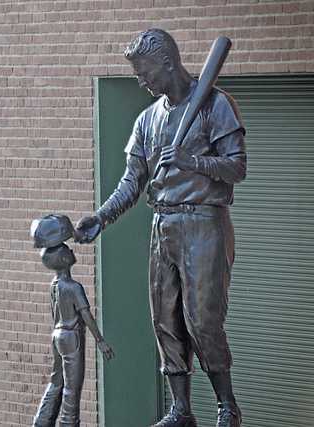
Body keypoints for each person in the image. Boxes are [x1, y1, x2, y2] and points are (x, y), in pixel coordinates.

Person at [76, 29, 246, 427]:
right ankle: (181, 409)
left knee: (203, 321)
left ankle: (227, 406)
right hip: (163, 224)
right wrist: (101, 217)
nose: (141, 82)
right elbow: (130, 183)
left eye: (144, 72)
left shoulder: (215, 106)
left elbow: (238, 167)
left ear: (167, 63)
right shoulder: (146, 120)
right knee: (166, 319)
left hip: (204, 221)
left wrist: (195, 162)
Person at [31, 215, 114, 427]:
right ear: (64, 259)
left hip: (57, 336)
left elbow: (54, 314)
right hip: (71, 337)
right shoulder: (73, 287)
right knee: (72, 390)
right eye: (68, 250)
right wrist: (100, 340)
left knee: (56, 382)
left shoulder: (54, 285)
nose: (71, 250)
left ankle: (42, 421)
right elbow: (85, 315)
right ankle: (69, 423)